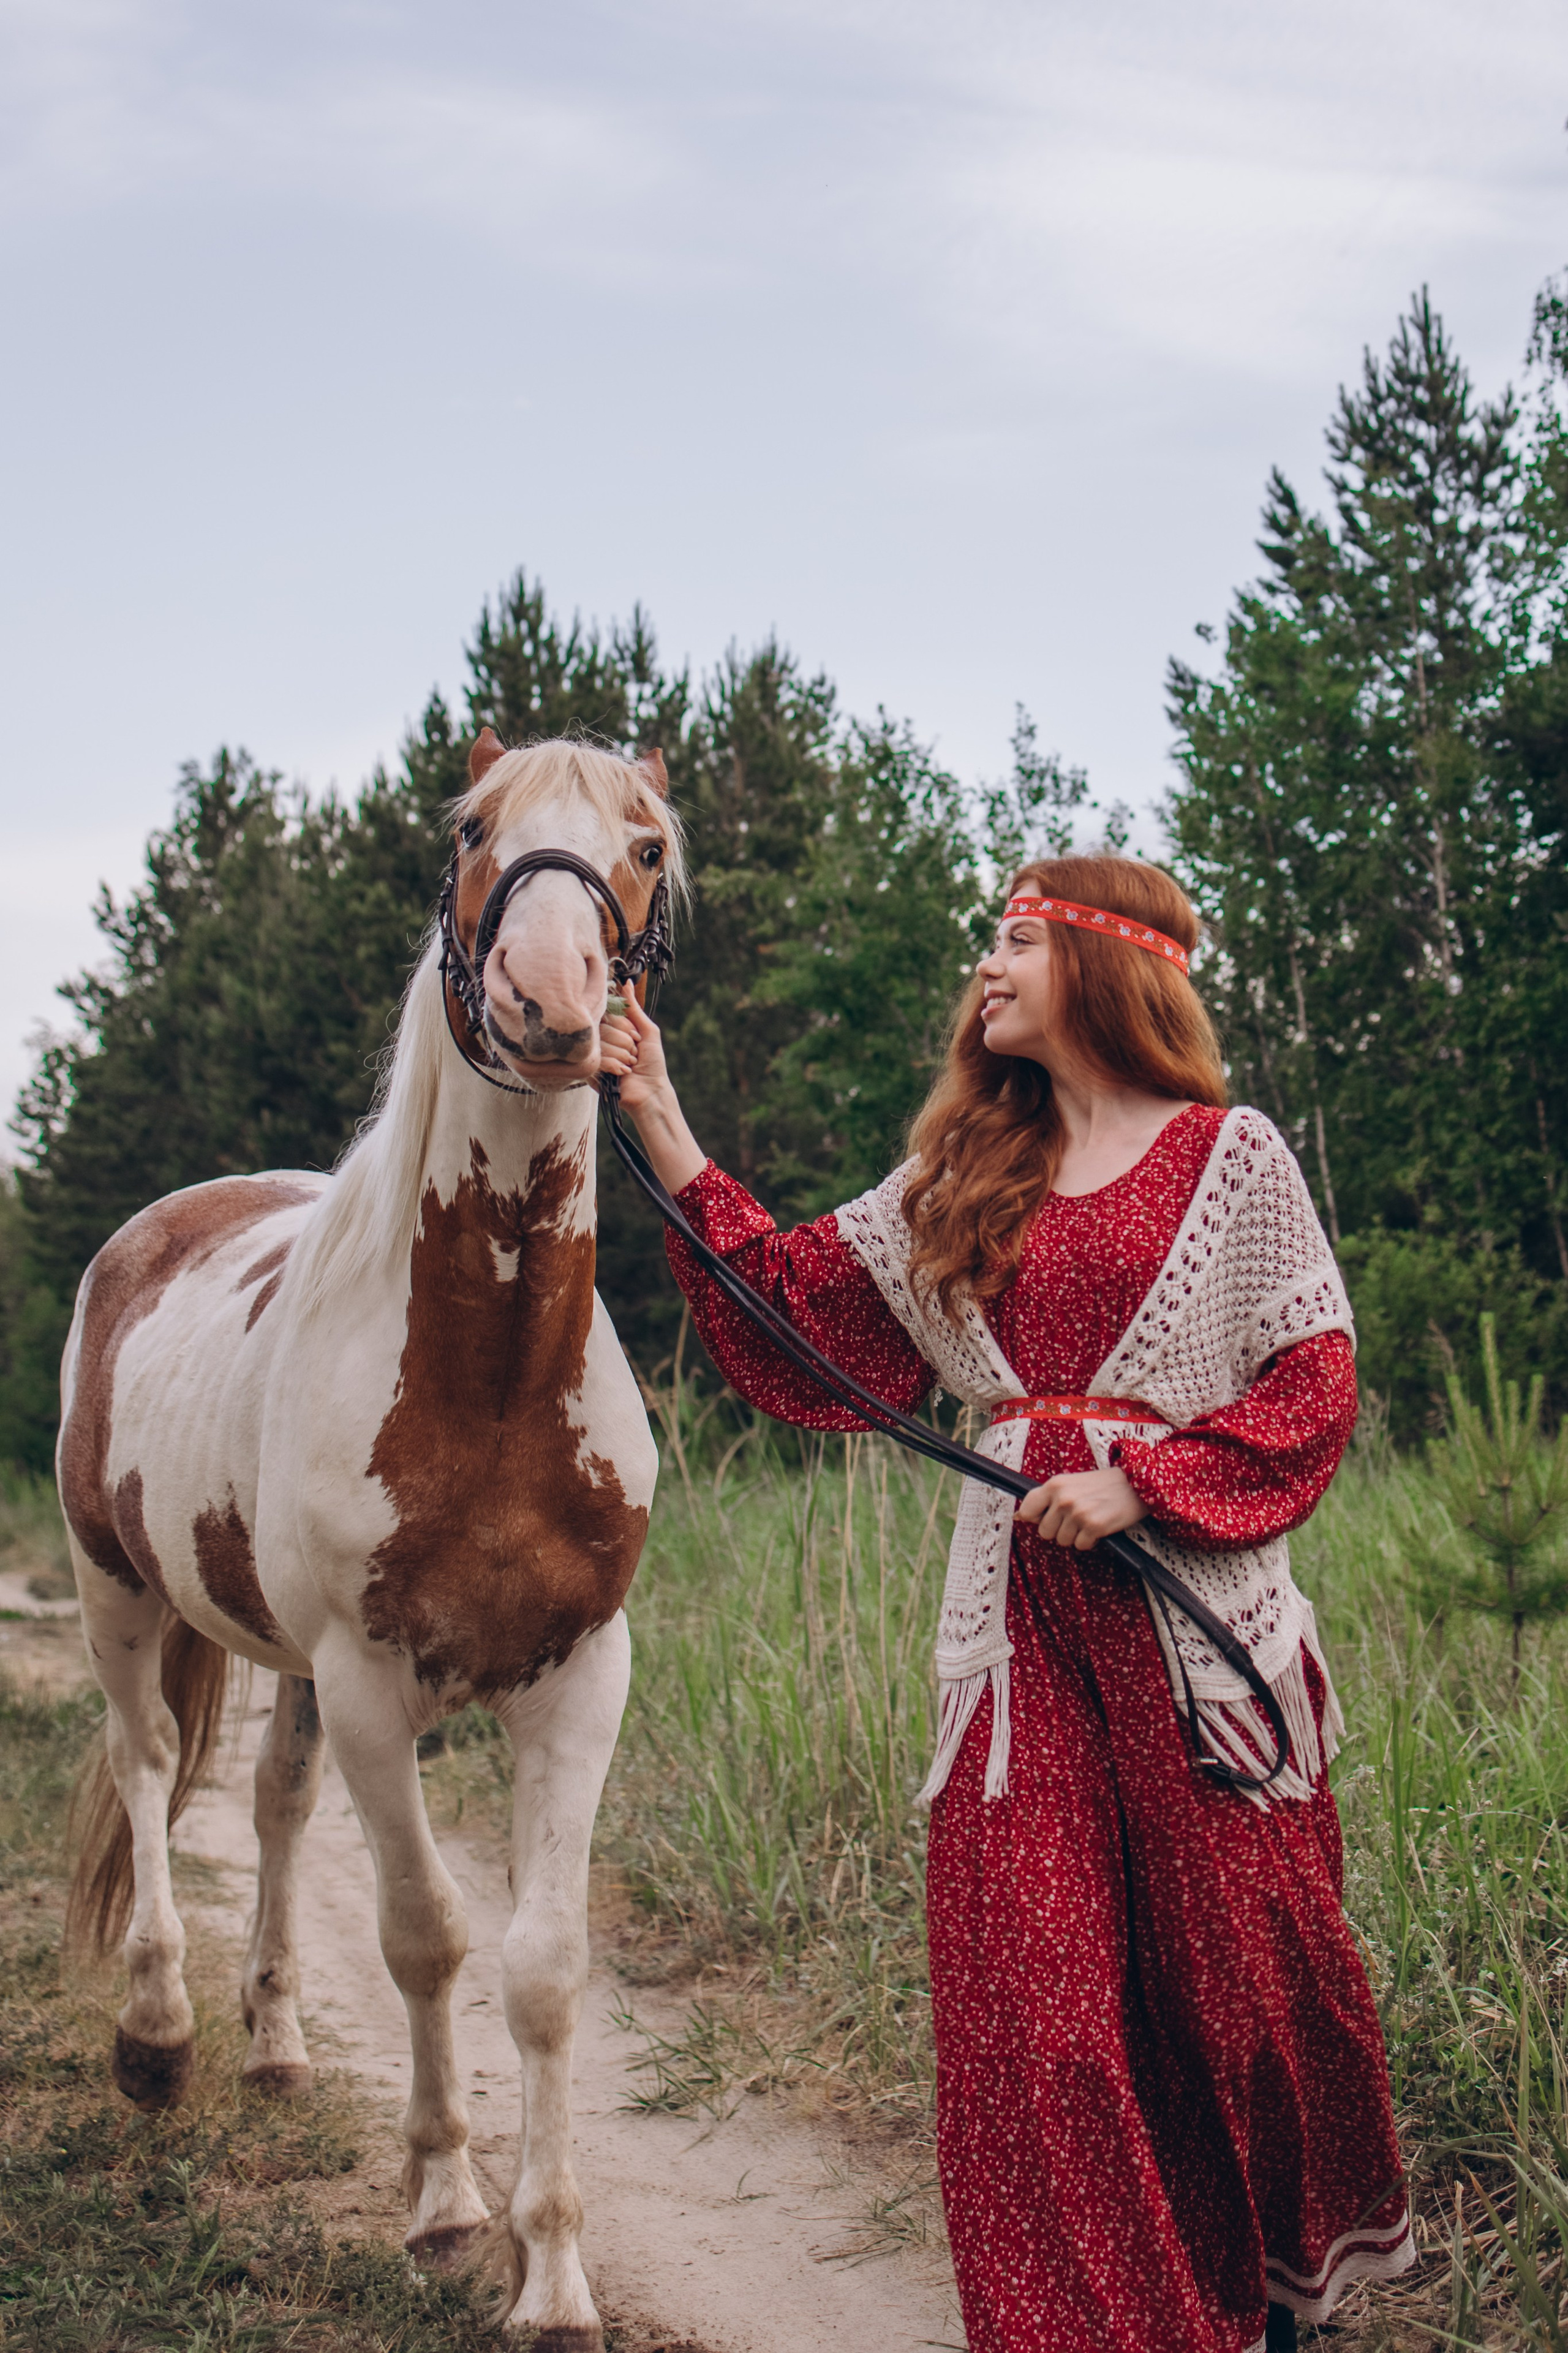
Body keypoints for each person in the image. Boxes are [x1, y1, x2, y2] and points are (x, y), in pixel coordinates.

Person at [600, 855, 1411, 2353]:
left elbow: (1313, 1382)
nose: (986, 965)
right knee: (1036, 2023)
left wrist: (1146, 1478)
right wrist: (655, 1108)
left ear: (1107, 967)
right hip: (1016, 1651)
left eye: (1018, 939)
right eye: (989, 938)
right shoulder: (963, 1172)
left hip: (1190, 1631)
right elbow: (793, 1305)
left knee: (1235, 1996)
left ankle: (1255, 2317)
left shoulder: (1232, 1158)